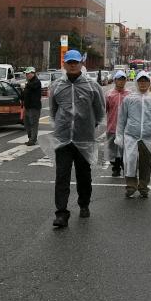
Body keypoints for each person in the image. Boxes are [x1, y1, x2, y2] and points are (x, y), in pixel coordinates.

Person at [46, 50, 106, 228]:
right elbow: (53, 111)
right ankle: (61, 213)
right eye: (69, 62)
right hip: (63, 139)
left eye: (75, 62)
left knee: (84, 175)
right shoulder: (56, 86)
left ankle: (84, 203)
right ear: (64, 64)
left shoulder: (92, 86)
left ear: (81, 64)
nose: (72, 65)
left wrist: (89, 126)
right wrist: (62, 126)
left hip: (84, 139)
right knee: (62, 176)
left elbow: (100, 112)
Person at [116, 72, 151, 199]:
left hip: (148, 138)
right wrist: (119, 134)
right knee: (130, 161)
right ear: (137, 82)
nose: (143, 83)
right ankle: (130, 186)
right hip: (131, 136)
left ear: (149, 83)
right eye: (140, 81)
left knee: (146, 163)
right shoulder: (129, 99)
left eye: (145, 81)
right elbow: (122, 118)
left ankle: (143, 186)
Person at [104, 70, 130, 177]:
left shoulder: (129, 94)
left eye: (123, 79)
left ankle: (125, 166)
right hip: (112, 126)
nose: (121, 82)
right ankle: (115, 168)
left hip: (126, 128)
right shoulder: (109, 94)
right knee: (113, 149)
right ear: (115, 80)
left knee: (125, 149)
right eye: (119, 79)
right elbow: (104, 109)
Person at [20, 67, 43, 145]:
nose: (27, 75)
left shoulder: (36, 82)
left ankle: (33, 140)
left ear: (33, 73)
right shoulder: (28, 83)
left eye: (28, 73)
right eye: (26, 74)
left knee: (33, 123)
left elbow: (32, 86)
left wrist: (26, 85)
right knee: (26, 123)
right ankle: (30, 138)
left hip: (34, 107)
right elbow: (25, 93)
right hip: (27, 106)